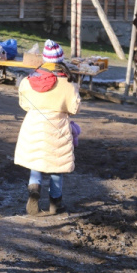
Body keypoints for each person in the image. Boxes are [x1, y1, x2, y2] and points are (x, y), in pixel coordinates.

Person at [14, 40, 80, 216]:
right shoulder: (68, 83)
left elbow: (24, 104)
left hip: (33, 125)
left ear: (45, 58)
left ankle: (34, 192)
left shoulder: (28, 81)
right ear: (60, 60)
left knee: (36, 162)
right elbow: (74, 109)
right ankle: (55, 203)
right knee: (56, 168)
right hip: (57, 127)